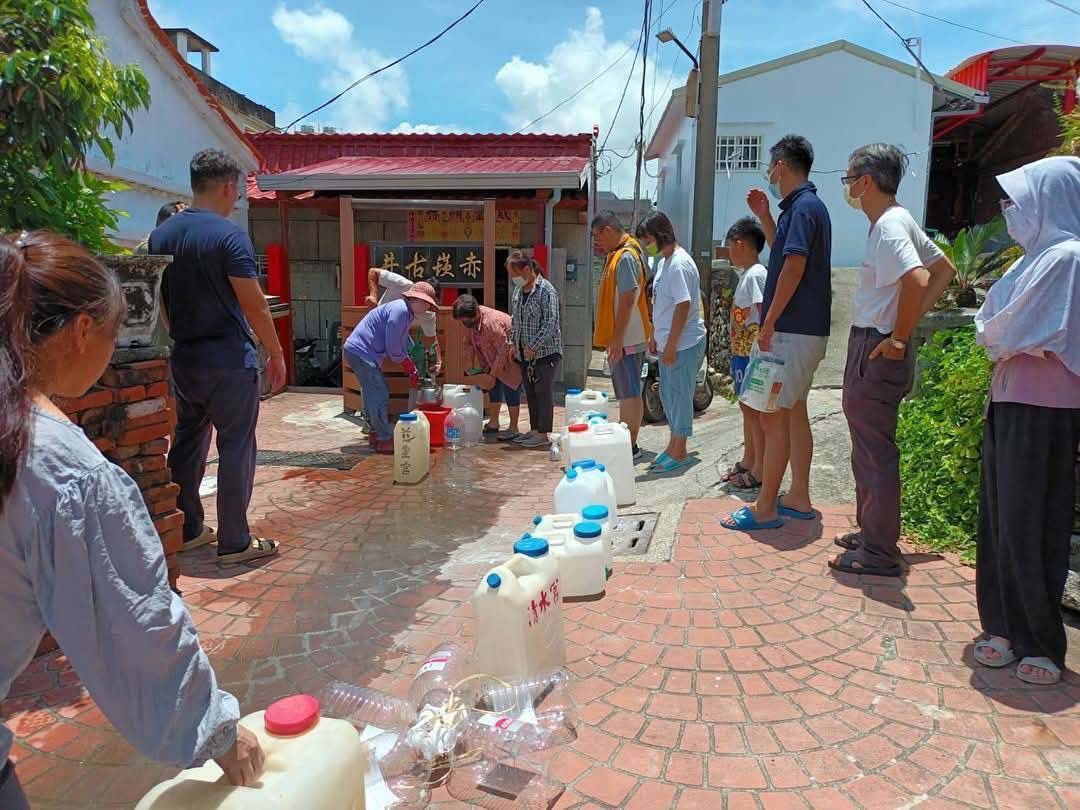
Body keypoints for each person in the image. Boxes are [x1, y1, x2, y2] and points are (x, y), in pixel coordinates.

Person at [0, 231, 266, 809]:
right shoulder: (62, 470)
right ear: (81, 331)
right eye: (115, 330)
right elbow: (135, 624)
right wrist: (218, 729)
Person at [972, 156, 1080, 686]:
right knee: (998, 519)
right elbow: (991, 326)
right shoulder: (1030, 261)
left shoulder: (1067, 257)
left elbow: (1009, 329)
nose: (1008, 211)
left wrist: (1006, 337)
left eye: (1017, 201)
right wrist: (1007, 337)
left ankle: (1040, 640)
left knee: (1034, 522)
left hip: (1045, 408)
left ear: (1047, 199)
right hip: (1010, 399)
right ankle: (1002, 626)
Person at [150, 149, 284, 566]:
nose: (237, 199)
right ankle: (234, 542)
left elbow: (162, 304)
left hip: (185, 359)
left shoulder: (161, 236)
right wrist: (276, 353)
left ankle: (188, 529)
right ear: (227, 186)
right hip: (228, 360)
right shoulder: (229, 236)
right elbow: (254, 304)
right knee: (236, 445)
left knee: (187, 443)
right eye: (238, 192)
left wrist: (182, 337)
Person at [829, 144, 956, 577]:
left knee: (873, 452)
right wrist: (903, 329)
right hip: (878, 344)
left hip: (876, 346)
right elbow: (944, 270)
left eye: (849, 179)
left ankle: (878, 551)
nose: (848, 188)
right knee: (869, 447)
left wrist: (899, 337)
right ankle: (872, 533)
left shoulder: (888, 226)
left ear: (865, 182)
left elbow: (919, 278)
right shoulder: (898, 220)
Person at [723, 135, 832, 531]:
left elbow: (793, 267)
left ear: (782, 166)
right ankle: (798, 496)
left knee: (772, 417)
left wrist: (768, 323)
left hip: (789, 331)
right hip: (804, 331)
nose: (768, 174)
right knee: (793, 413)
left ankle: (765, 507)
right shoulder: (804, 208)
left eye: (770, 166)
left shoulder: (803, 208)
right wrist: (766, 216)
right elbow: (783, 250)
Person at [637, 211, 707, 472]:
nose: (646, 245)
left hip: (683, 344)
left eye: (647, 239)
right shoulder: (664, 263)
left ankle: (680, 450)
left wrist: (671, 344)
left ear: (659, 235)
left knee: (679, 396)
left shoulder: (679, 264)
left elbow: (683, 305)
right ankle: (673, 445)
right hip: (670, 342)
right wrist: (655, 335)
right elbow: (660, 303)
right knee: (669, 394)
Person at [344, 282, 439, 454]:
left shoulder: (404, 312)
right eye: (426, 303)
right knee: (379, 393)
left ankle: (375, 433)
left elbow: (402, 340)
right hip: (362, 352)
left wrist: (408, 360)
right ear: (415, 299)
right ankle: (384, 438)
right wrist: (408, 364)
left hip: (359, 352)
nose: (427, 308)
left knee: (373, 393)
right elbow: (394, 347)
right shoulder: (401, 311)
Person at [591, 211, 653, 459]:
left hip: (627, 339)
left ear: (608, 230)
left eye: (597, 236)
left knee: (629, 393)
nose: (596, 242)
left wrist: (616, 340)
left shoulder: (625, 256)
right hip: (627, 337)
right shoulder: (622, 254)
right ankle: (629, 441)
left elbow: (628, 300)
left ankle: (630, 445)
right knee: (629, 392)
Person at [722, 216, 769, 490]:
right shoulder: (748, 275)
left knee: (754, 412)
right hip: (742, 354)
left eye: (730, 246)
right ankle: (749, 459)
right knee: (747, 408)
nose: (728, 252)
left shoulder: (756, 275)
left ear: (740, 244)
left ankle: (759, 468)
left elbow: (762, 313)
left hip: (753, 356)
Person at [508, 255, 562, 449]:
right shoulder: (518, 291)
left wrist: (534, 346)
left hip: (545, 353)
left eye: (514, 273)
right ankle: (534, 429)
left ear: (527, 269)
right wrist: (513, 343)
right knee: (530, 392)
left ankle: (543, 433)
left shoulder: (546, 290)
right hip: (524, 354)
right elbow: (515, 320)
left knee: (543, 392)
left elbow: (550, 322)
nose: (513, 278)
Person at [452, 293, 523, 439]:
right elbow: (468, 343)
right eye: (463, 321)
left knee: (511, 387)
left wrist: (492, 374)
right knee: (494, 388)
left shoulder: (492, 323)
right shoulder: (469, 323)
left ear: (476, 312)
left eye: (467, 320)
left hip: (510, 357)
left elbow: (503, 351)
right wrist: (469, 363)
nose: (465, 324)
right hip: (491, 358)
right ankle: (494, 422)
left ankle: (513, 427)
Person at [365, 266, 443, 381]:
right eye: (424, 301)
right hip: (378, 329)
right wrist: (373, 296)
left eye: (431, 304)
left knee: (414, 353)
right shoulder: (403, 285)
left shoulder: (428, 312)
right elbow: (373, 272)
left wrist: (439, 361)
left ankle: (405, 383)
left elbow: (431, 338)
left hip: (398, 335)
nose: (427, 307)